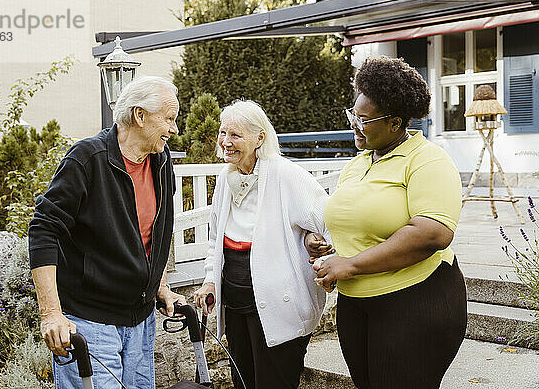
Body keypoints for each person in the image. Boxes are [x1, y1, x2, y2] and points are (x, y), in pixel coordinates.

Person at [309, 56, 466, 389]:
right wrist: (330, 249)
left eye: (364, 119)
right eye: (353, 113)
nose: (354, 124)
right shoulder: (357, 164)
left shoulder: (427, 159)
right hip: (356, 306)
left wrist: (350, 264)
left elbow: (431, 233)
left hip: (415, 302)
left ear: (395, 123)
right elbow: (362, 228)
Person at [28, 76, 186, 389]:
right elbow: (44, 231)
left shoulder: (160, 162)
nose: (174, 129)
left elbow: (154, 233)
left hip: (141, 323)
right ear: (140, 116)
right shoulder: (87, 160)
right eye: (169, 119)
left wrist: (160, 284)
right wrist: (51, 315)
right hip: (91, 321)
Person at [194, 100, 331, 389]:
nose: (225, 142)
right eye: (223, 133)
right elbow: (215, 238)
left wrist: (316, 245)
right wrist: (209, 280)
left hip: (277, 305)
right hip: (235, 304)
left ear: (259, 138)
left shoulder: (286, 175)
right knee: (242, 380)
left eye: (235, 135)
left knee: (274, 382)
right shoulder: (226, 178)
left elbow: (327, 220)